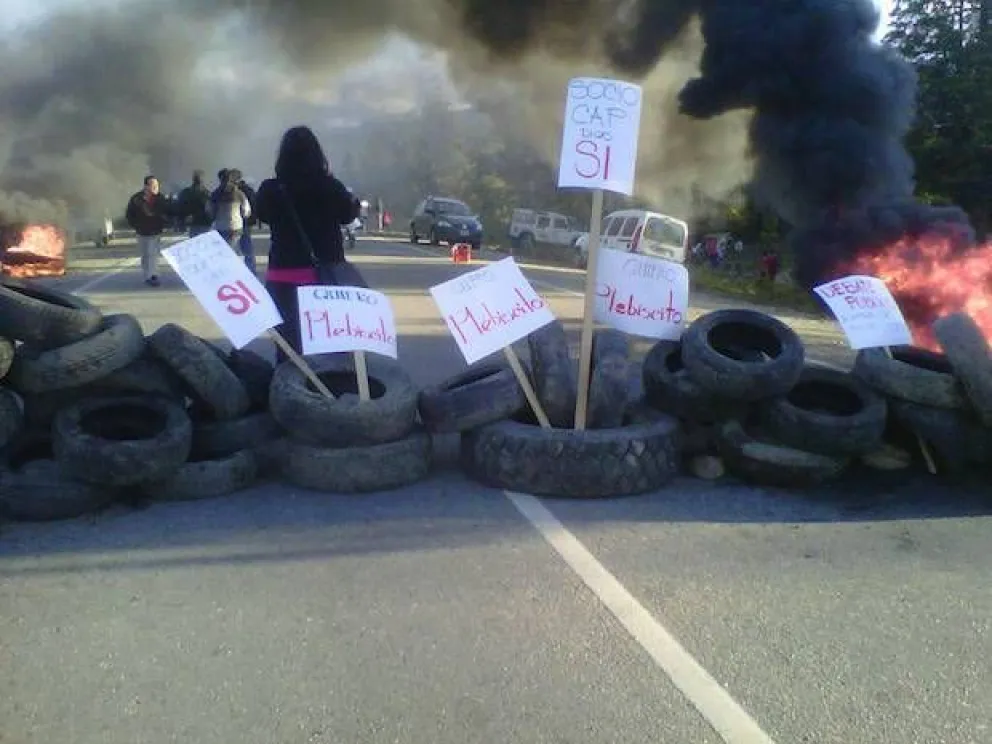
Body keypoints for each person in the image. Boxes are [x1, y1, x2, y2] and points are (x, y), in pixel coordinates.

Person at [254, 125, 360, 361]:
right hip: (325, 280)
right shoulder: (331, 187)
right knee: (328, 347)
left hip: (283, 276)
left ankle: (286, 392)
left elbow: (261, 215)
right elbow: (348, 215)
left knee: (288, 349)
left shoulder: (271, 189)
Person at [125, 175, 168, 287]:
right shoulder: (136, 199)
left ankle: (154, 275)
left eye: (157, 185)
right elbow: (129, 215)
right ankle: (147, 276)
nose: (155, 187)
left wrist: (163, 223)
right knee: (145, 255)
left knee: (153, 253)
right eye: (153, 185)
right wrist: (136, 226)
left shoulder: (160, 198)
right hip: (142, 231)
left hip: (156, 231)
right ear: (146, 186)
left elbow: (167, 211)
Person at [207, 168, 251, 252]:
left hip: (220, 226)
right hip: (236, 226)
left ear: (220, 179)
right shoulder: (239, 194)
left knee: (222, 250)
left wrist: (214, 217)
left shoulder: (215, 194)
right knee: (232, 249)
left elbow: (209, 210)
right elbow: (246, 211)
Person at [175, 170, 212, 238]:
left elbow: (180, 208)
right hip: (203, 224)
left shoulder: (186, 192)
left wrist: (181, 222)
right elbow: (209, 210)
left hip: (194, 224)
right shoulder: (207, 193)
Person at [235, 172, 258, 272]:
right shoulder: (249, 190)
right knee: (247, 247)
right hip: (247, 222)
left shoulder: (237, 191)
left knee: (236, 247)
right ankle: (251, 269)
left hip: (239, 222)